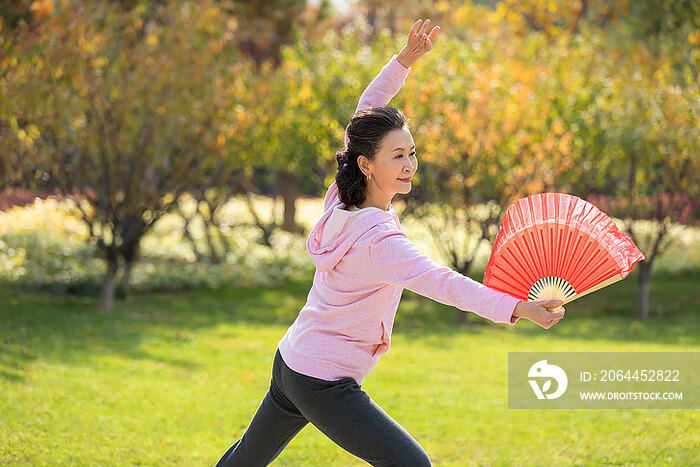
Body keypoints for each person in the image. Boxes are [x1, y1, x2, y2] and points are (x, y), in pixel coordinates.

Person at [215, 18, 565, 467]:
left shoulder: (341, 198)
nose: (409, 164)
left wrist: (405, 61)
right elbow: (443, 283)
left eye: (412, 152)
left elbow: (368, 108)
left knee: (244, 462)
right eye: (397, 155)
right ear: (366, 164)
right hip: (323, 379)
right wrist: (519, 307)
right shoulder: (379, 241)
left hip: (293, 361)